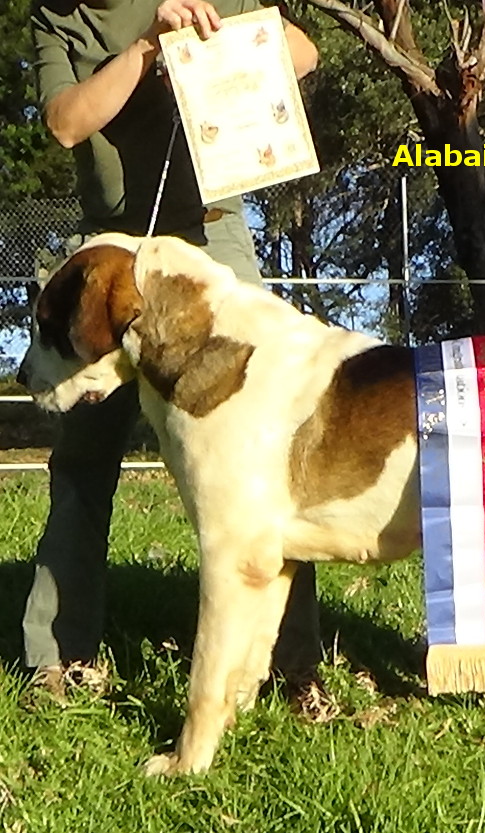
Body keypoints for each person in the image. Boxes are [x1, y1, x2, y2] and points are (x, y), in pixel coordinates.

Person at [24, 0, 323, 700]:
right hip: (108, 254)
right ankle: (57, 656)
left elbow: (304, 54)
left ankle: (292, 661)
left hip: (213, 235)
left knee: (267, 449)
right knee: (85, 454)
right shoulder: (54, 19)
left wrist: (226, 33)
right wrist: (148, 52)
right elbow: (66, 121)